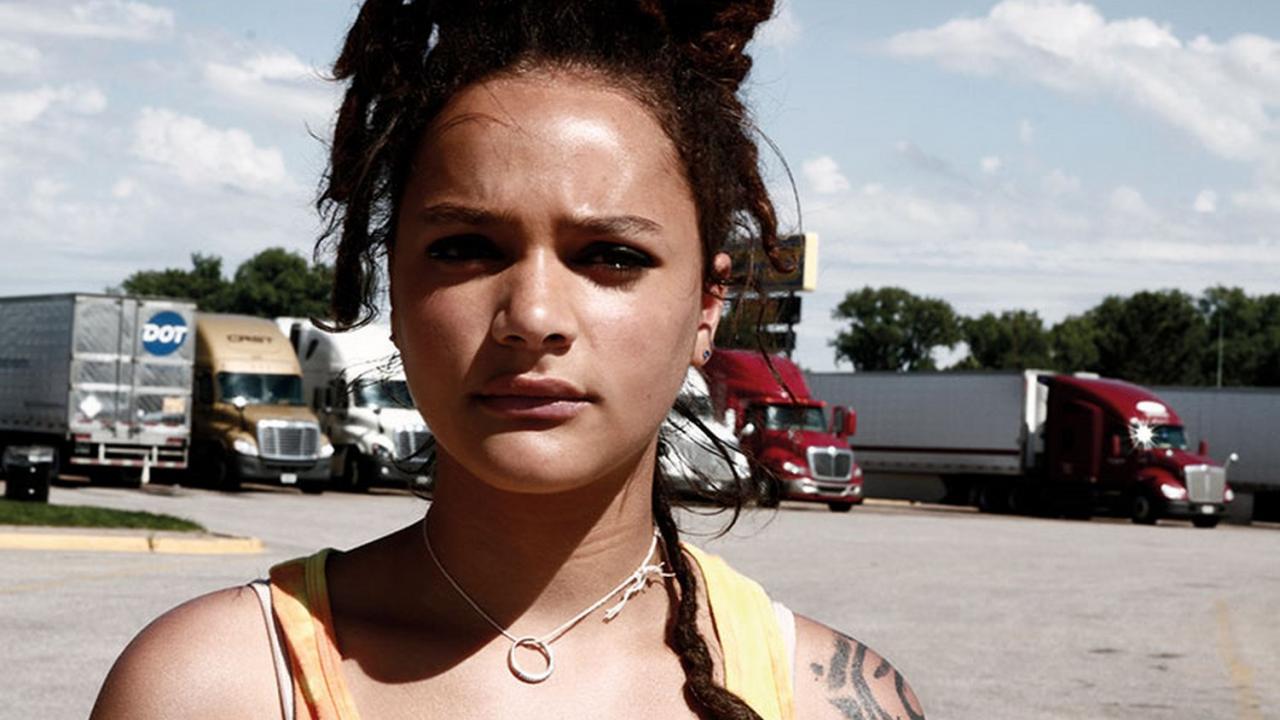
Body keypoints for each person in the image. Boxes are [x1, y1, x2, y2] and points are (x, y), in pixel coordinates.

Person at [91, 2, 925, 718]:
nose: (531, 317)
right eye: (464, 247)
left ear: (708, 307)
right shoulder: (211, 686)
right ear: (397, 283)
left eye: (610, 255)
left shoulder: (832, 698)